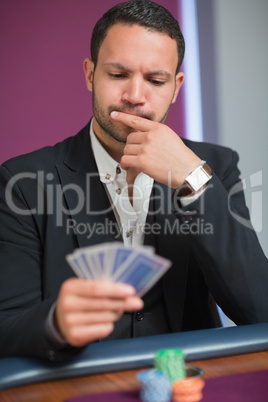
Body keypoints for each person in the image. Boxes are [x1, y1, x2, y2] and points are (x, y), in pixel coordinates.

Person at [0, 0, 267, 362]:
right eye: (118, 74)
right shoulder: (21, 182)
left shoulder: (215, 165)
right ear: (90, 74)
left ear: (176, 87)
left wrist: (194, 181)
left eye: (156, 80)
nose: (135, 97)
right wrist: (55, 322)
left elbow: (259, 309)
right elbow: (6, 326)